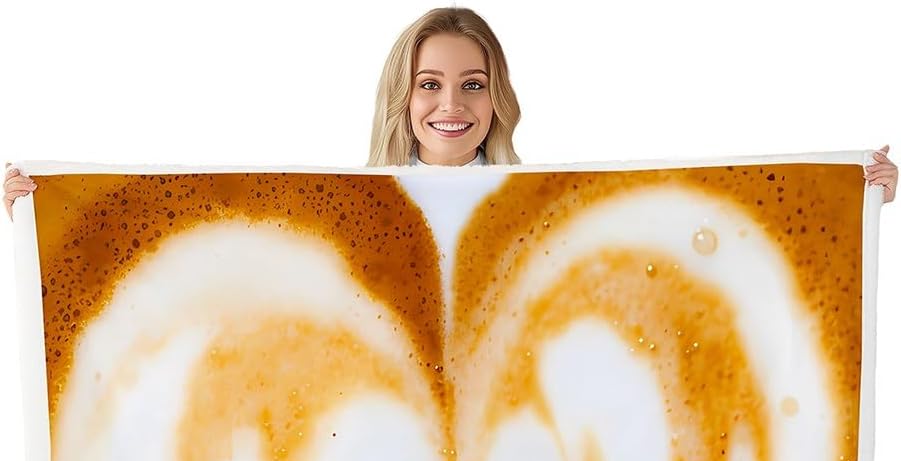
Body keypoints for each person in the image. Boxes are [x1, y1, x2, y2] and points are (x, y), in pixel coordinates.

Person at [4, 5, 898, 212]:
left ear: (497, 96)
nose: (450, 104)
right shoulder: (348, 208)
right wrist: (46, 202)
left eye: (472, 83)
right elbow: (206, 222)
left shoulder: (539, 204)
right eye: (429, 83)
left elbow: (686, 212)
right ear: (402, 95)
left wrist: (846, 193)